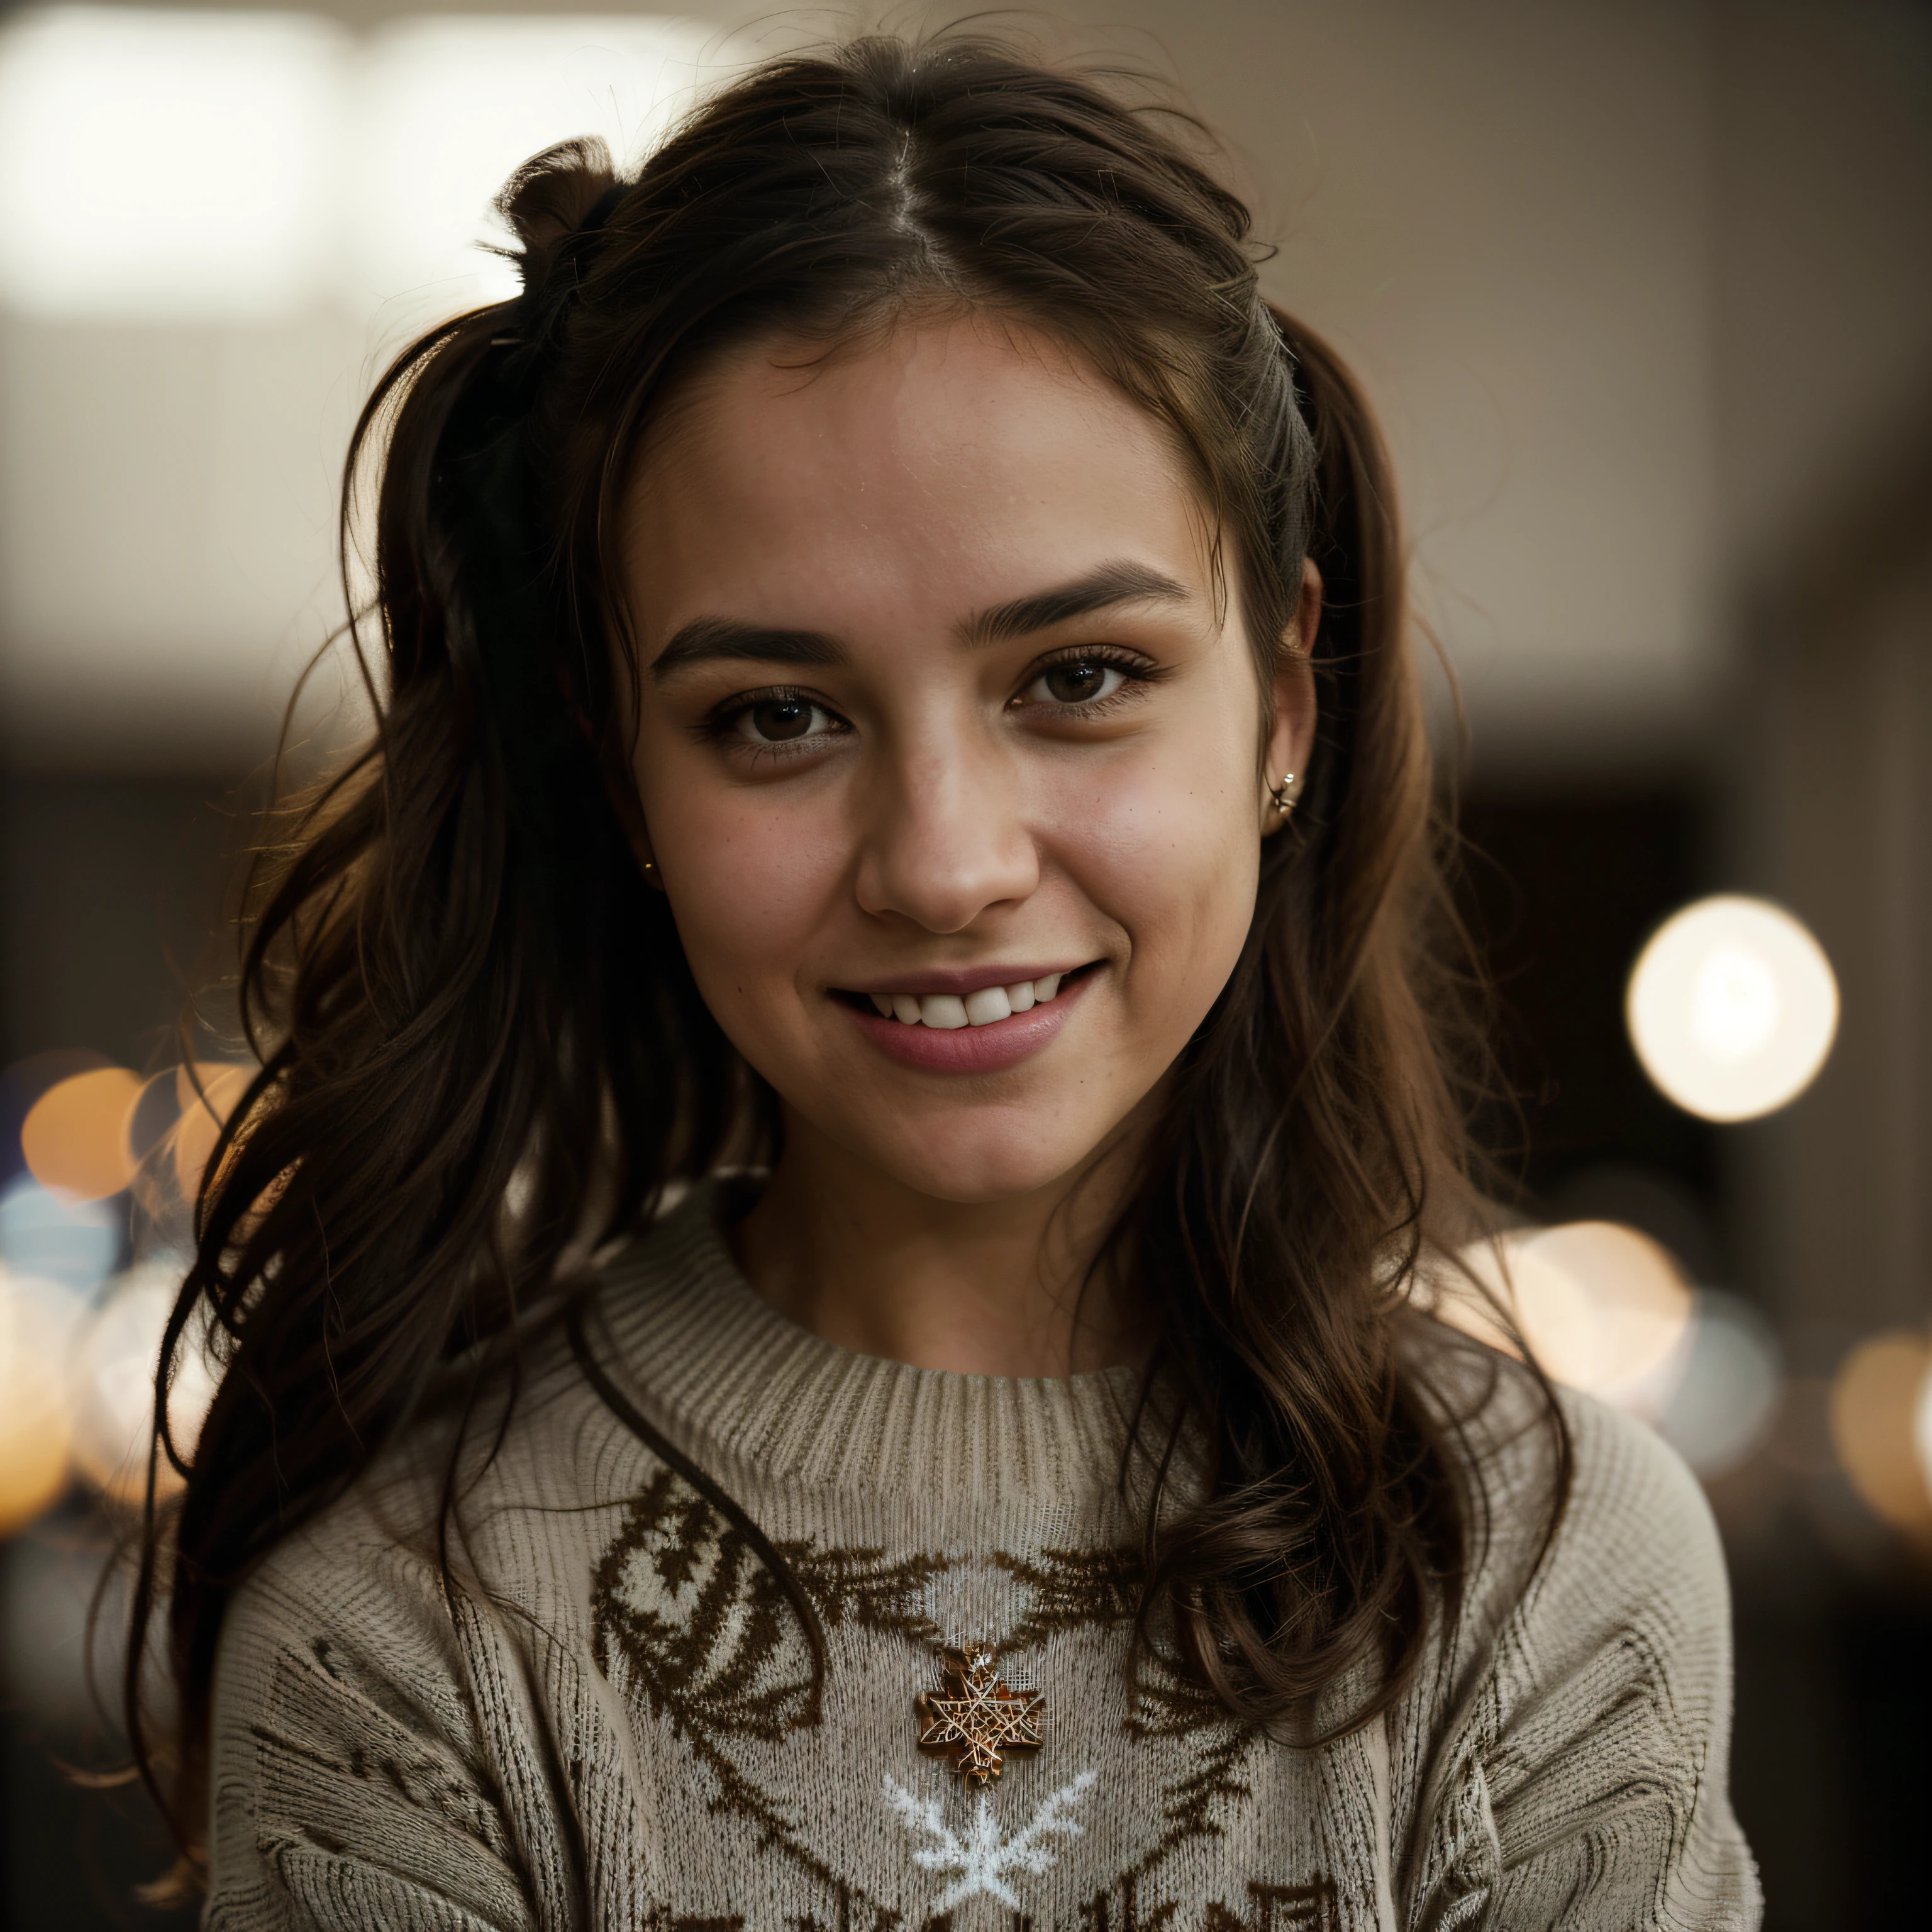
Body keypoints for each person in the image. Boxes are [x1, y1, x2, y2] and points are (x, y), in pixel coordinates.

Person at [135, 31, 1760, 1929]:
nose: (945, 862)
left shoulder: (1542, 1574)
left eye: (1078, 678)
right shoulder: (409, 1628)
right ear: (625, 773)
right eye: (778, 716)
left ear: (1285, 699)